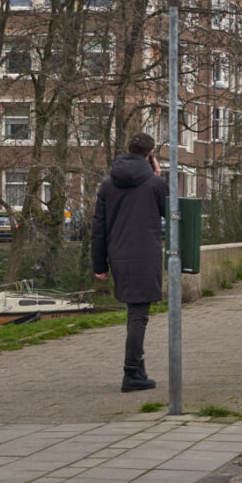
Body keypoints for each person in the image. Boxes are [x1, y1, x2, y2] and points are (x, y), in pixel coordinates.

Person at [92, 133, 169, 392]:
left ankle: (138, 369)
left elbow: (99, 227)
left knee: (134, 314)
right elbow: (170, 214)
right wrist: (157, 177)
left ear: (127, 150)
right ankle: (131, 373)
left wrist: (99, 265)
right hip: (146, 256)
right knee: (139, 315)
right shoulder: (155, 184)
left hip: (119, 256)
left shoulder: (107, 185)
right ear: (150, 154)